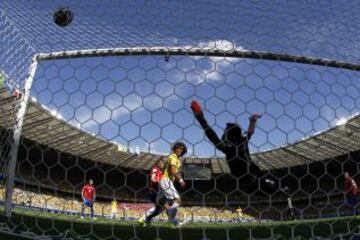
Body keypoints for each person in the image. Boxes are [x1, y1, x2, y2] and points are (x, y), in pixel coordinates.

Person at [190, 100, 265, 191]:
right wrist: (252, 121)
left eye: (224, 133)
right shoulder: (243, 140)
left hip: (247, 180)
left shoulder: (227, 147)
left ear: (229, 135)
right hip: (254, 177)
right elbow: (250, 131)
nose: (222, 135)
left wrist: (201, 120)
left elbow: (213, 137)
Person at [138, 142, 187, 227]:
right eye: (178, 148)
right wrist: (181, 180)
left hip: (164, 182)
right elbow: (172, 171)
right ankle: (172, 219)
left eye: (181, 149)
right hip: (166, 181)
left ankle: (144, 218)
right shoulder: (173, 157)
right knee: (177, 200)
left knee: (159, 208)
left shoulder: (176, 160)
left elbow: (172, 170)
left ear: (183, 151)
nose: (179, 150)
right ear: (174, 148)